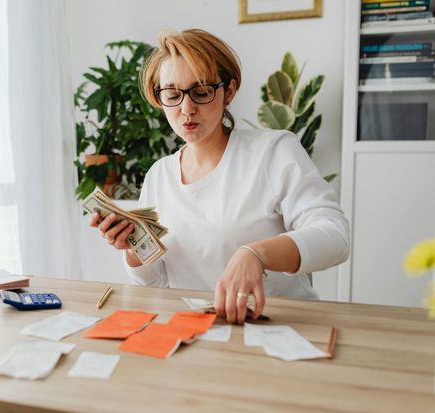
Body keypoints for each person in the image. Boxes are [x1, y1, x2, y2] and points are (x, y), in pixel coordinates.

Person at [89, 29, 349, 324]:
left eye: (201, 92)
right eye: (172, 95)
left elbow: (335, 237)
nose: (187, 109)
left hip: (278, 328)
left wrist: (255, 253)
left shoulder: (273, 151)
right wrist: (132, 248)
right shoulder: (159, 175)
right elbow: (157, 284)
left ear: (229, 90)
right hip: (198, 333)